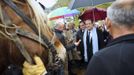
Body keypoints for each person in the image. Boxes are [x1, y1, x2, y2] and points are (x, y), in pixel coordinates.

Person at [85, 0, 134, 75]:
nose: (87, 25)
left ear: (108, 22)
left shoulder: (100, 59)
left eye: (89, 24)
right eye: (86, 24)